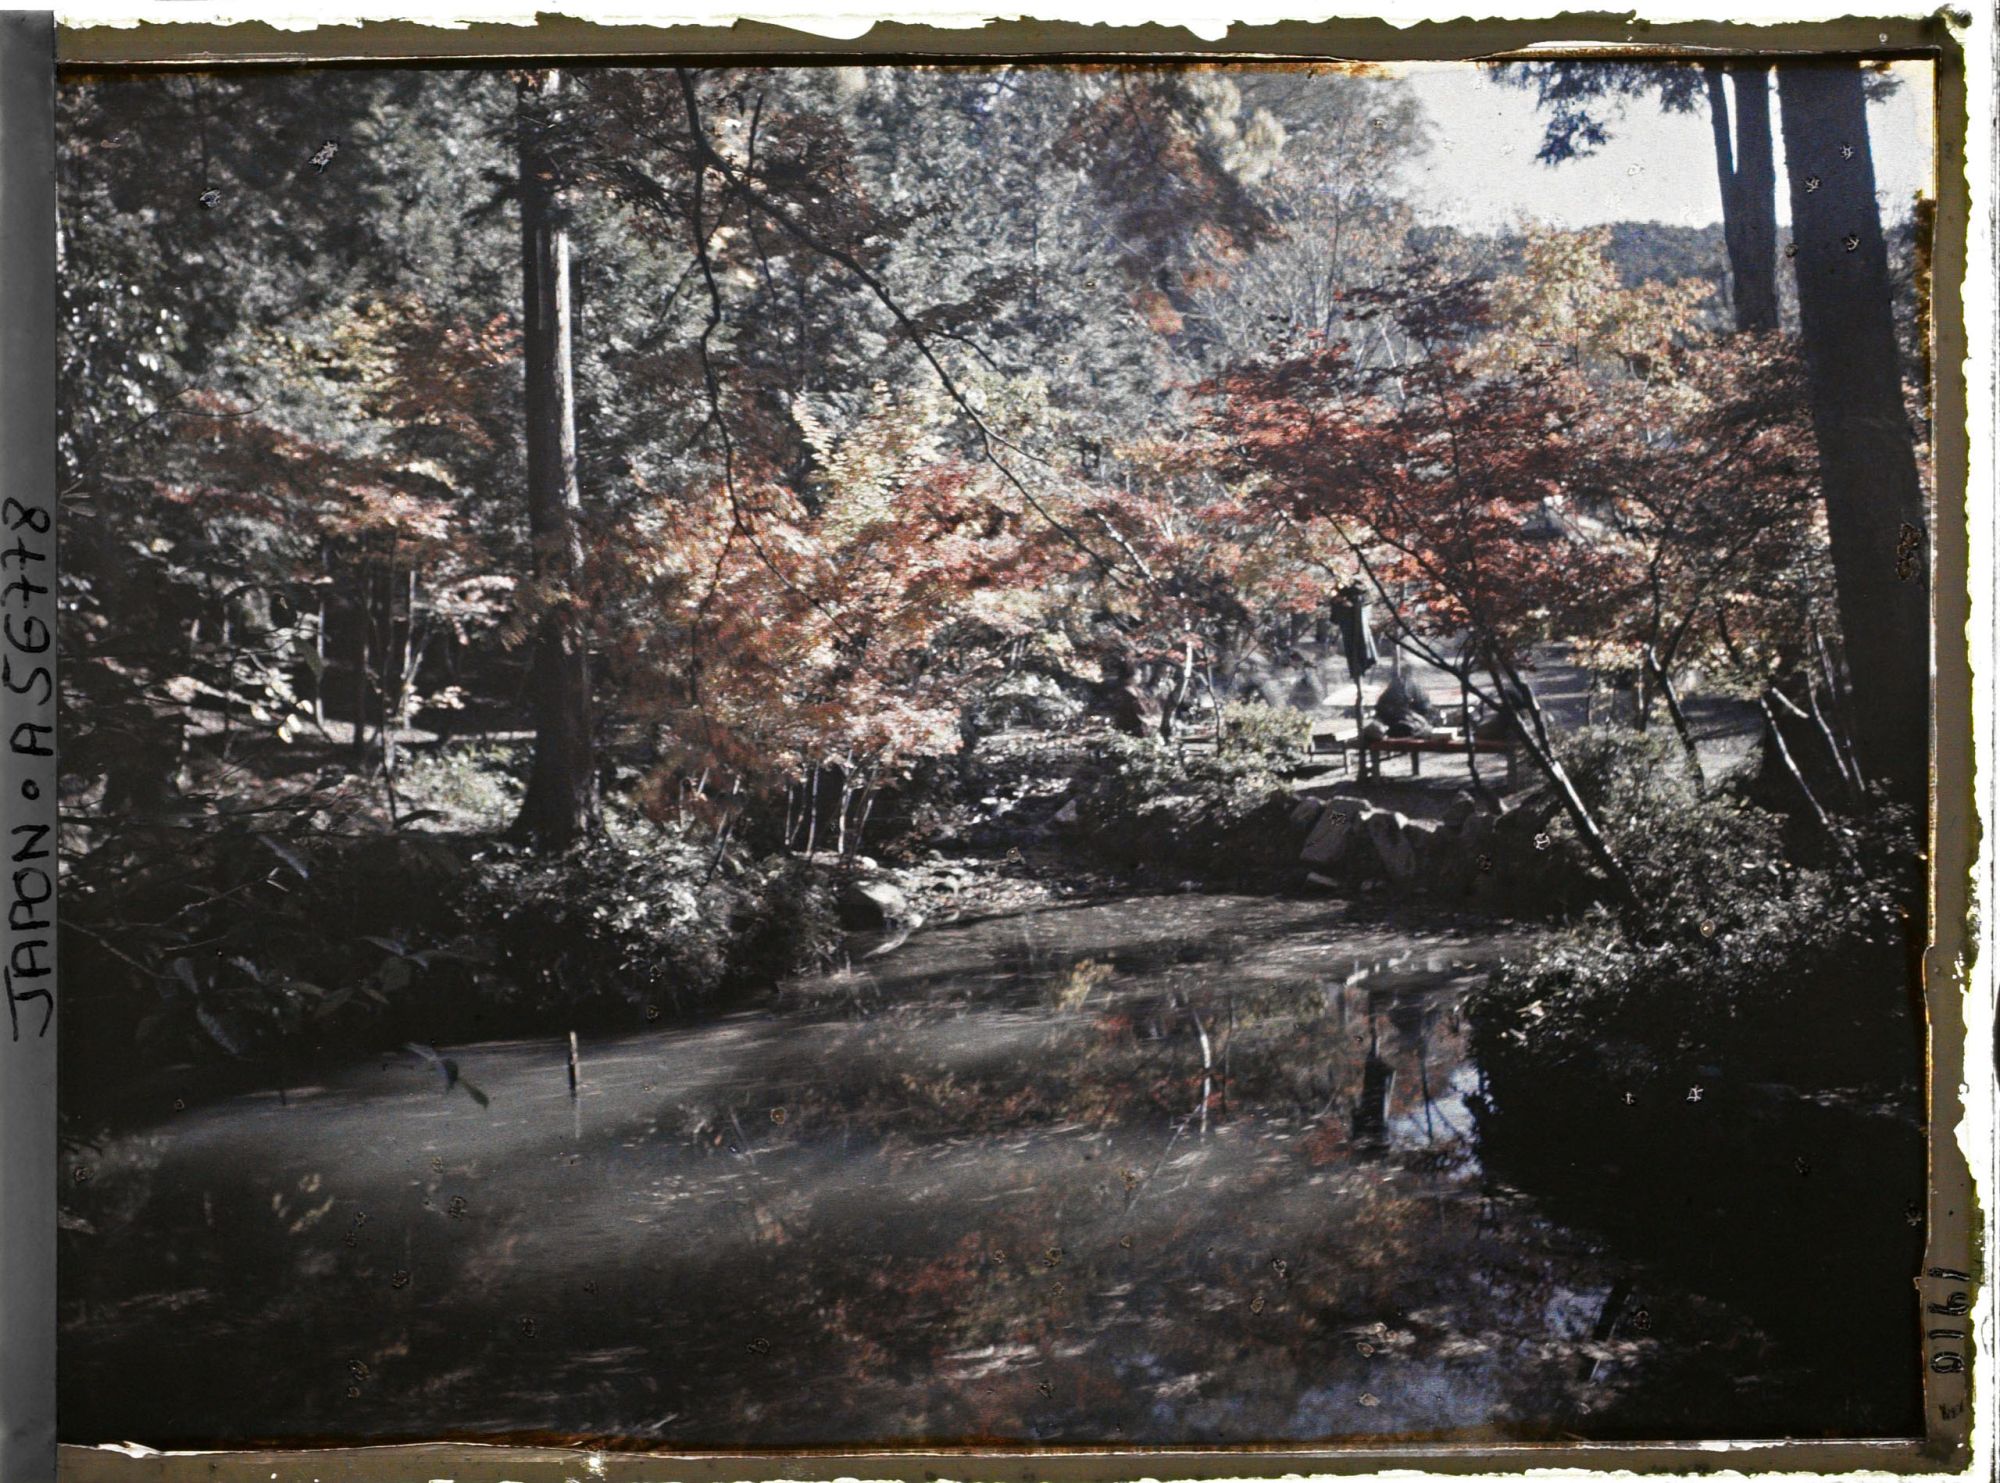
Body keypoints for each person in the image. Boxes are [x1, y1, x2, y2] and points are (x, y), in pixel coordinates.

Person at [1373, 672, 1436, 738]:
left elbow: (1427, 711)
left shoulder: (1415, 689)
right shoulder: (1390, 696)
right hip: (1394, 724)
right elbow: (1382, 710)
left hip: (1411, 724)